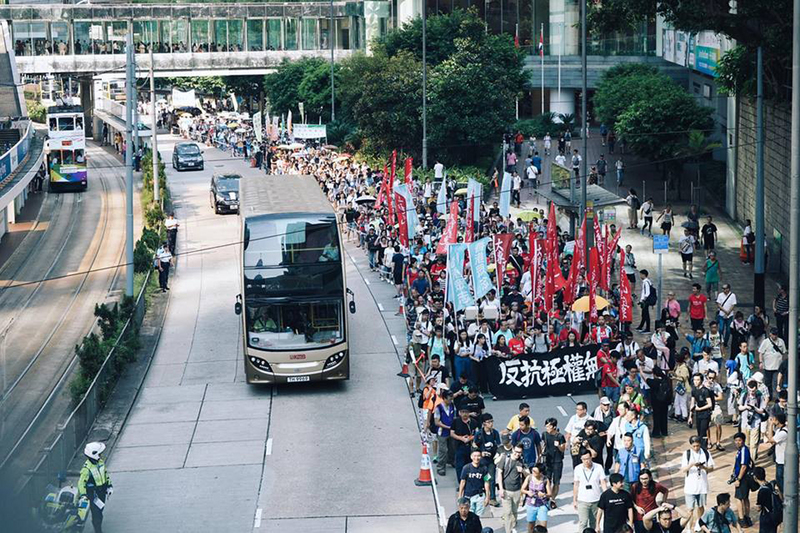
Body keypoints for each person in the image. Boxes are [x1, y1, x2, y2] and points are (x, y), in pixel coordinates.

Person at [78, 442, 113, 533]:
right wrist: (83, 495)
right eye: (99, 454)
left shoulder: (100, 462)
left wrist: (109, 485)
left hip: (102, 491)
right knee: (97, 514)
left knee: (100, 511)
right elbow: (81, 483)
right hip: (93, 494)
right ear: (94, 454)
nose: (101, 455)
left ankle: (98, 525)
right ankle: (98, 530)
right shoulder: (87, 468)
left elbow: (105, 474)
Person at [681, 435, 715, 527]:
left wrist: (703, 467)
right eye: (694, 446)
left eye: (698, 446)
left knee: (700, 506)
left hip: (702, 485)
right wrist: (691, 464)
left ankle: (699, 523)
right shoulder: (687, 454)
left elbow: (711, 468)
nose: (696, 448)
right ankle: (689, 527)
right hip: (690, 487)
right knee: (690, 509)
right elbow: (683, 469)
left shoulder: (706, 453)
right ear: (691, 445)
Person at [573, 449, 608, 531]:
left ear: (591, 457)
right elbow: (576, 485)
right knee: (583, 523)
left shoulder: (598, 467)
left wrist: (606, 496)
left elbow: (603, 483)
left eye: (588, 458)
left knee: (594, 523)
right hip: (582, 500)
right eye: (584, 459)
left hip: (596, 500)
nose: (586, 461)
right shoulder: (578, 468)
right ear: (581, 459)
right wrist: (574, 499)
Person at [497, 445, 527, 533]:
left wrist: (522, 471)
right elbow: (499, 473)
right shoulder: (505, 458)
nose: (517, 454)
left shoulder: (522, 460)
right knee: (507, 512)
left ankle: (513, 526)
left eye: (519, 452)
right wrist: (501, 489)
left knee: (514, 511)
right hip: (506, 490)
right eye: (516, 451)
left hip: (517, 490)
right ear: (513, 449)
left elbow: (528, 475)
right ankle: (508, 530)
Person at [473, 413, 502, 505]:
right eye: (489, 422)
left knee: (491, 478)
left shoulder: (495, 433)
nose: (491, 424)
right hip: (482, 461)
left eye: (492, 421)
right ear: (484, 423)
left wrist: (497, 455)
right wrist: (481, 453)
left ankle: (492, 498)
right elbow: (474, 447)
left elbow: (499, 446)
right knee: (483, 478)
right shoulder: (479, 434)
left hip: (491, 461)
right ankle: (482, 495)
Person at [630, 469, 669, 533]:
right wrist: (636, 507)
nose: (644, 481)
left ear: (650, 478)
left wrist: (663, 502)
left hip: (651, 515)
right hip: (639, 516)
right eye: (641, 479)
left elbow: (665, 491)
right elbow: (630, 499)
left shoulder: (656, 486)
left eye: (646, 478)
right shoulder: (635, 486)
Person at [738, 379, 768, 461]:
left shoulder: (759, 397)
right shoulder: (744, 395)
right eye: (750, 390)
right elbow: (739, 407)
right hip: (745, 423)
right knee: (746, 443)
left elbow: (762, 410)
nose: (752, 392)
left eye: (753, 391)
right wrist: (746, 407)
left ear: (756, 388)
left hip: (755, 423)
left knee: (753, 445)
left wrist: (754, 408)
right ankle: (746, 460)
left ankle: (752, 461)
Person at [730, 432, 754, 527]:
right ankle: (747, 518)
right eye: (736, 440)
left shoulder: (744, 450)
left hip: (743, 478)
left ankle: (742, 519)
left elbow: (744, 466)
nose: (737, 442)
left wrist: (738, 479)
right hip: (744, 477)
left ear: (743, 441)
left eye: (739, 440)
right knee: (745, 498)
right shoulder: (741, 450)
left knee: (739, 498)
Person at [541, 417, 566, 507]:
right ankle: (547, 496)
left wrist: (558, 446)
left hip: (557, 461)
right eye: (546, 426)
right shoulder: (544, 434)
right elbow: (543, 444)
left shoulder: (560, 436)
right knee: (547, 480)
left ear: (554, 427)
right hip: (547, 460)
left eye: (549, 426)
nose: (547, 428)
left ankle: (553, 499)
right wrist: (541, 453)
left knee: (556, 481)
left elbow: (563, 449)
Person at [459, 449, 491, 517]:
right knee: (469, 516)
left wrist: (487, 496)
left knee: (478, 516)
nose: (476, 458)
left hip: (480, 496)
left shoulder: (484, 468)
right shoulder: (466, 468)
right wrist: (460, 496)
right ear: (471, 457)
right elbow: (462, 482)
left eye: (478, 456)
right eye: (474, 456)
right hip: (468, 496)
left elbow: (487, 482)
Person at [757, 328, 786, 400]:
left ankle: (777, 397)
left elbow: (784, 352)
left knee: (777, 382)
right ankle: (768, 396)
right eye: (773, 334)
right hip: (768, 367)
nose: (774, 336)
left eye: (776, 334)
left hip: (778, 366)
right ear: (770, 334)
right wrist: (761, 362)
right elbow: (761, 353)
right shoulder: (765, 342)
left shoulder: (781, 341)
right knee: (768, 383)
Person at [522, 464, 552, 530]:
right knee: (531, 525)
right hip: (531, 504)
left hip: (542, 504)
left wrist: (544, 495)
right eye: (532, 470)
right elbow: (522, 489)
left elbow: (550, 494)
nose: (533, 472)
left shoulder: (545, 480)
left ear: (540, 473)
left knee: (543, 526)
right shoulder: (529, 477)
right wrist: (528, 492)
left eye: (535, 472)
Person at [689, 373, 714, 448]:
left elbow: (710, 404)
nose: (696, 382)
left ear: (701, 381)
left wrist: (700, 408)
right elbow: (692, 403)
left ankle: (704, 449)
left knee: (703, 433)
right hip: (698, 414)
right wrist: (690, 416)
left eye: (698, 380)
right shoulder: (694, 390)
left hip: (705, 414)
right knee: (699, 433)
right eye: (694, 380)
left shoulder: (705, 391)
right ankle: (701, 448)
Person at [754, 466, 782, 533]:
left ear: (755, 477)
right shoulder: (771, 485)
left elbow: (759, 508)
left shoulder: (762, 491)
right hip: (775, 515)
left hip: (766, 517)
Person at [434, 391, 456, 476]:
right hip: (442, 432)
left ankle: (451, 461)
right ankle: (440, 467)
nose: (451, 401)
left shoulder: (452, 406)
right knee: (443, 450)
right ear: (444, 398)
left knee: (452, 447)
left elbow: (454, 417)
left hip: (451, 432)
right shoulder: (438, 408)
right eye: (449, 399)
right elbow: (437, 422)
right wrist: (448, 427)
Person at [766, 413, 787, 492]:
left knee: (780, 480)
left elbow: (771, 440)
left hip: (783, 460)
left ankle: (784, 495)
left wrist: (770, 425)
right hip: (779, 459)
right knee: (779, 480)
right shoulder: (779, 430)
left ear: (778, 420)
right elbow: (771, 438)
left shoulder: (783, 432)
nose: (773, 420)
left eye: (774, 419)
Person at [636, 270, 655, 334]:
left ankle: (647, 329)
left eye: (641, 274)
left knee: (646, 315)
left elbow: (647, 293)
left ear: (644, 275)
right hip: (645, 301)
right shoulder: (647, 281)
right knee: (644, 314)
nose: (640, 276)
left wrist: (643, 300)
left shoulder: (646, 282)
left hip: (646, 301)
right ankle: (640, 326)